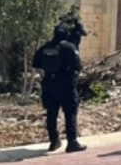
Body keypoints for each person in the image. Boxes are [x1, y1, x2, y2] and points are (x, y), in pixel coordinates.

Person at [32, 24, 87, 153]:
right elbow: (78, 66)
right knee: (70, 113)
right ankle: (72, 142)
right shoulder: (69, 47)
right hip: (66, 85)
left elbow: (36, 63)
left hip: (49, 84)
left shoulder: (46, 47)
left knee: (51, 113)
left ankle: (54, 141)